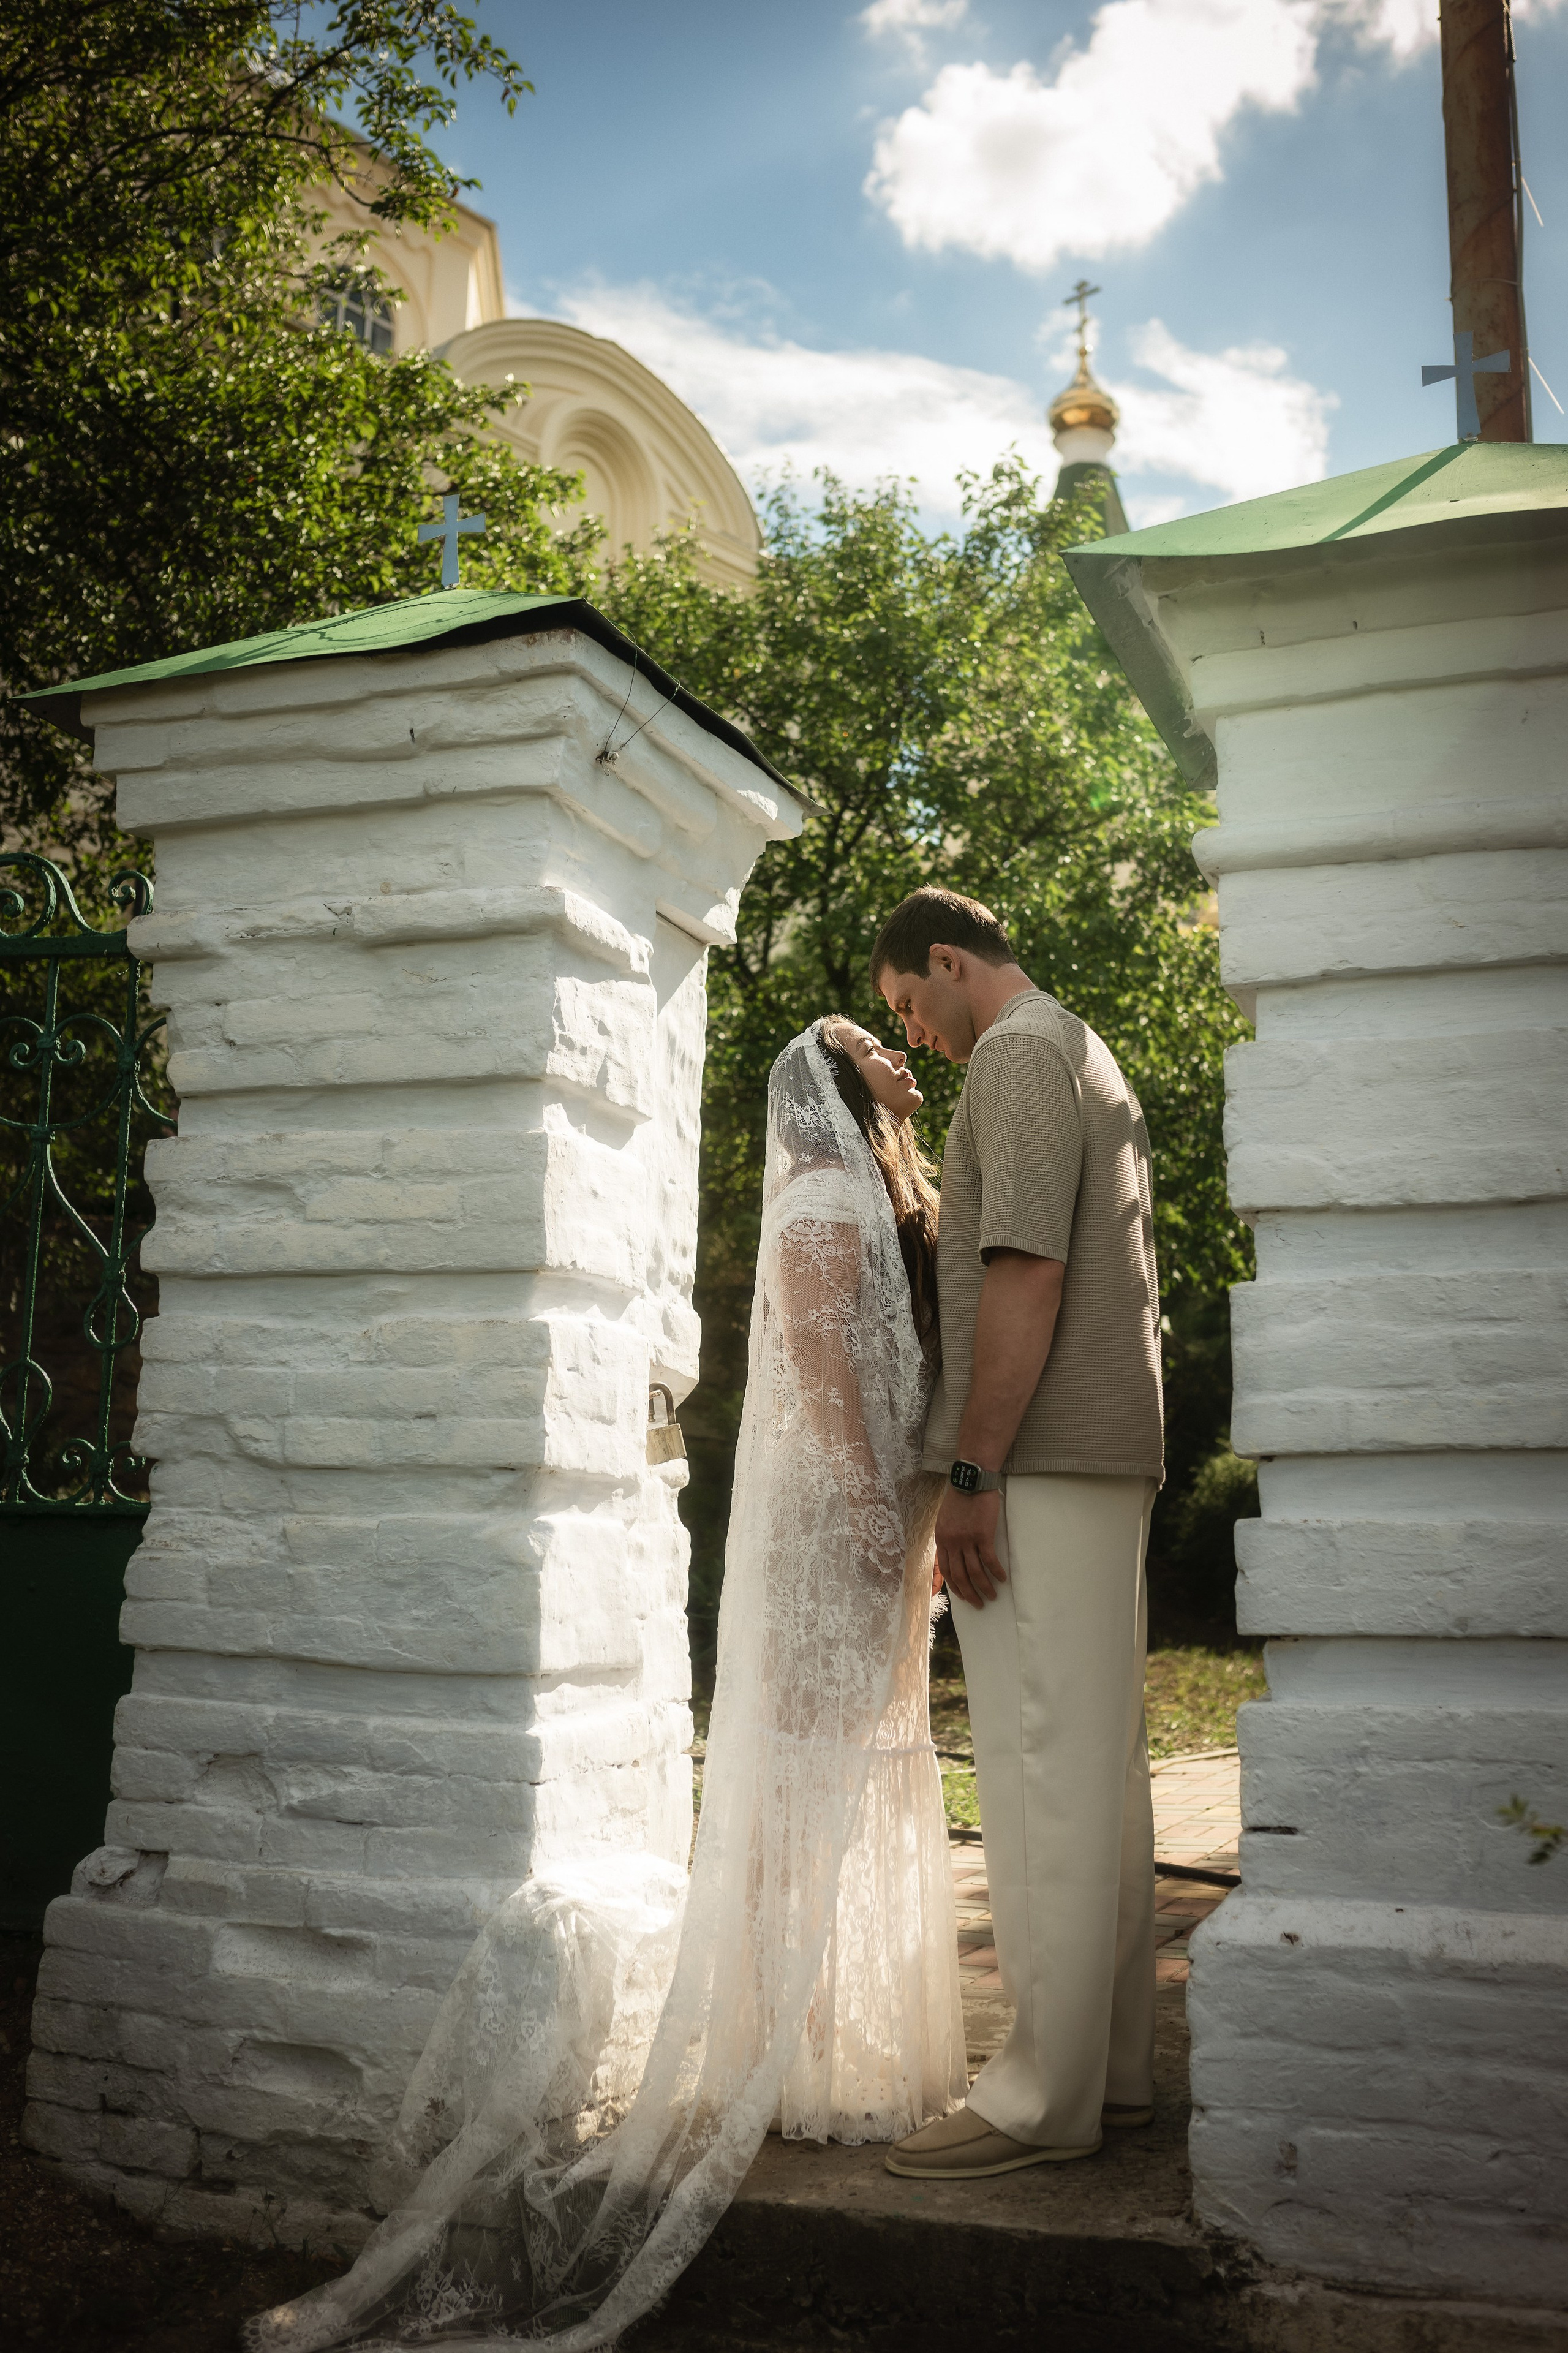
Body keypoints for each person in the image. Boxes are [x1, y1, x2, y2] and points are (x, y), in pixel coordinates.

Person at [248, 1017, 963, 2353]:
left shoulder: (879, 1184)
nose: (897, 1057)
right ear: (827, 1080)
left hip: (884, 1519)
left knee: (861, 1767)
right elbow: (819, 1376)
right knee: (804, 1773)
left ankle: (834, 2039)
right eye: (871, 1042)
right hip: (832, 1525)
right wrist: (874, 1516)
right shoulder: (819, 1197)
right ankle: (777, 2052)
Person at [872, 887, 1164, 2180]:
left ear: (947, 962)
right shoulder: (1077, 1044)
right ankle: (1109, 2075)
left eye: (907, 1005)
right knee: (1092, 1768)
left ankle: (1040, 2097)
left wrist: (972, 1470)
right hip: (1097, 1454)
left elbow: (1022, 1268)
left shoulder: (1015, 1050)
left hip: (1038, 1457)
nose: (916, 1034)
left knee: (1041, 1766)